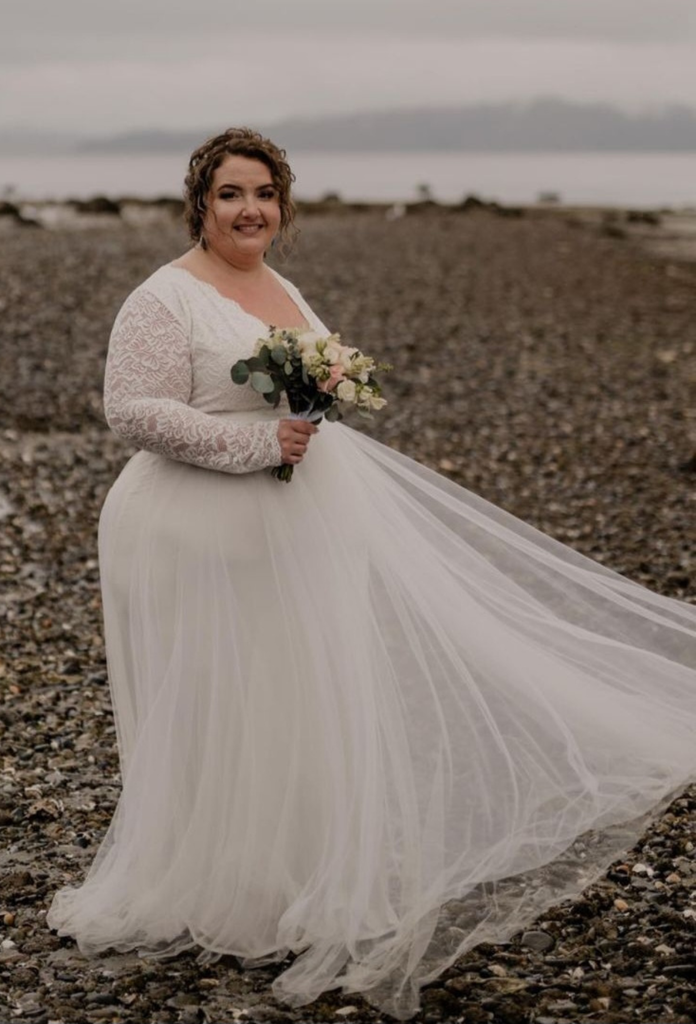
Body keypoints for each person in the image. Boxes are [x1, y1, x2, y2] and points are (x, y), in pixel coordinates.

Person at [46, 127, 696, 1019]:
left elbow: (311, 386)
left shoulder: (281, 284)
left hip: (290, 517)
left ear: (285, 204)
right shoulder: (163, 298)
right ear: (200, 202)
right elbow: (129, 408)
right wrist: (252, 443)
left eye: (265, 193)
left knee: (294, 693)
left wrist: (318, 403)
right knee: (220, 702)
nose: (251, 210)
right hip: (188, 527)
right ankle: (216, 883)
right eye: (232, 193)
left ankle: (288, 875)